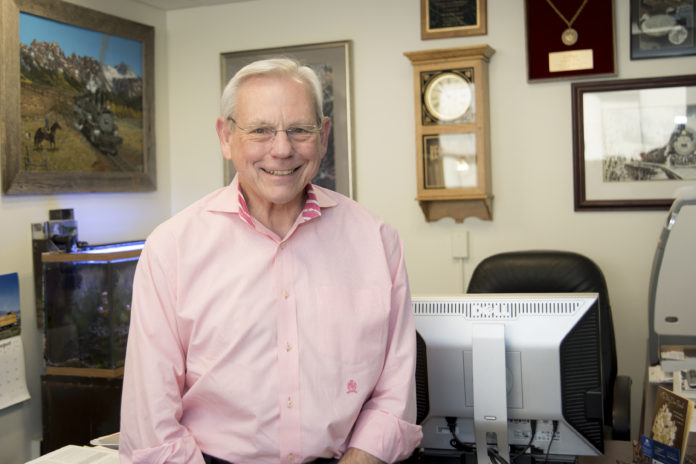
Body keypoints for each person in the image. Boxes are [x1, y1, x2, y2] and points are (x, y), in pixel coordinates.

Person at [119, 58, 422, 464]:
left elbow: (395, 391)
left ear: (324, 136)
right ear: (226, 137)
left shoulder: (377, 240)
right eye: (260, 130)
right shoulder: (171, 249)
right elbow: (150, 423)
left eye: (299, 130)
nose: (282, 150)